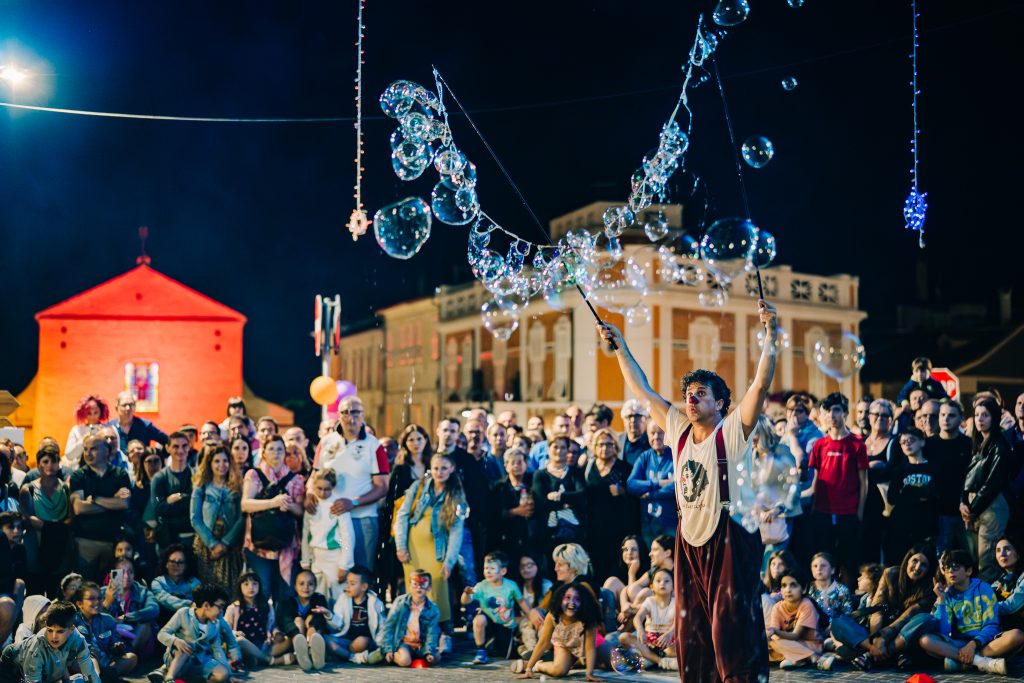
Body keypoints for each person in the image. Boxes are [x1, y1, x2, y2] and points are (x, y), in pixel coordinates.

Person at [598, 297, 778, 682]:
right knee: (692, 631)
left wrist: (771, 334)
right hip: (688, 539)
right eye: (688, 395)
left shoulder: (733, 431)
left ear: (721, 403)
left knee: (728, 631)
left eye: (701, 394)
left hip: (730, 536)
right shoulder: (679, 431)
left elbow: (761, 384)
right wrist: (621, 347)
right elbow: (644, 391)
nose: (691, 400)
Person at [313, 396, 389, 570]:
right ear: (339, 415)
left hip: (361, 519)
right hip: (330, 519)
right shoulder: (326, 442)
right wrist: (310, 493)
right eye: (345, 413)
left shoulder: (374, 446)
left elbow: (382, 487)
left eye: (355, 412)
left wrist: (353, 503)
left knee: (361, 574)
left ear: (363, 415)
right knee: (333, 574)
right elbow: (314, 477)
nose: (350, 417)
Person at [917, 548, 1023, 674]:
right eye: (947, 568)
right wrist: (942, 600)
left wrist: (973, 645)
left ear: (968, 571)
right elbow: (944, 631)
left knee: (1017, 635)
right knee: (925, 640)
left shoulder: (984, 589)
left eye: (955, 567)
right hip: (960, 643)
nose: (950, 571)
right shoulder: (947, 595)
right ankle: (979, 662)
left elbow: (991, 625)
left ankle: (960, 661)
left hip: (986, 643)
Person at [392, 451, 466, 626]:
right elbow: (402, 515)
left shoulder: (456, 494)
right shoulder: (418, 486)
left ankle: (441, 629)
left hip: (438, 550)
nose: (439, 472)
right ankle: (415, 629)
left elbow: (456, 531)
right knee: (415, 587)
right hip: (413, 548)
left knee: (438, 588)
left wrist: (449, 561)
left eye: (444, 468)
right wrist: (400, 546)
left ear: (452, 469)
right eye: (436, 468)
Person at [838, 545, 936, 671]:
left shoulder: (929, 589)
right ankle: (884, 654)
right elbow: (877, 610)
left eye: (924, 565)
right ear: (907, 560)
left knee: (925, 619)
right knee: (839, 621)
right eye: (915, 561)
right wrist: (876, 640)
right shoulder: (890, 574)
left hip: (903, 632)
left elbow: (908, 616)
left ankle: (871, 656)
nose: (917, 567)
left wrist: (883, 638)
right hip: (880, 627)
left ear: (928, 570)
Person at [807, 392, 869, 584]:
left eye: (836, 410)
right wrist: (813, 508)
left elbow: (864, 482)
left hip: (848, 513)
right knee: (824, 559)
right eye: (827, 411)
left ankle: (847, 597)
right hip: (823, 512)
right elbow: (815, 481)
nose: (831, 415)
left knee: (848, 561)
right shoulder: (819, 445)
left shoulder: (857, 444)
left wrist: (859, 513)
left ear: (845, 413)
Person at [241, 433, 305, 604]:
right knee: (263, 589)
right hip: (258, 545)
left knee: (285, 592)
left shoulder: (296, 479)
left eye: (279, 449)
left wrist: (288, 505)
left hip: (286, 544)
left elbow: (300, 511)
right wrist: (272, 503)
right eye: (271, 449)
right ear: (263, 452)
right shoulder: (254, 475)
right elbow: (245, 504)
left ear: (284, 453)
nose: (276, 453)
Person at [511, 581, 611, 680]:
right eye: (568, 598)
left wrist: (589, 674)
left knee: (615, 664)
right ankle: (536, 665)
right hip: (565, 644)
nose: (572, 603)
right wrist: (529, 669)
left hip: (592, 644)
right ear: (560, 598)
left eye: (577, 599)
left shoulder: (588, 616)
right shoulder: (553, 615)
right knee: (558, 670)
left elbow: (590, 647)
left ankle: (585, 662)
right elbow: (543, 642)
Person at [962, 396, 1012, 581]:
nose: (979, 419)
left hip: (992, 505)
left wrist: (971, 509)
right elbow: (969, 476)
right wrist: (963, 501)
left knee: (988, 560)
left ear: (994, 417)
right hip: (975, 505)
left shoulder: (999, 445)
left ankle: (989, 598)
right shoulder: (978, 443)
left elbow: (992, 484)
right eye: (977, 415)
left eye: (985, 415)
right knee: (976, 559)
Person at [377, 424, 432, 594]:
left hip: (429, 523)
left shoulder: (433, 465)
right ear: (405, 443)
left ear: (425, 440)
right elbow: (391, 501)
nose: (416, 443)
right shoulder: (400, 469)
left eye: (419, 439)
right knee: (402, 567)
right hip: (405, 523)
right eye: (411, 440)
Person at [68, 434, 131, 581]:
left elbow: (124, 503)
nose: (88, 453)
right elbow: (79, 508)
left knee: (116, 585)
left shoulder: (121, 475)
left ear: (107, 451)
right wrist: (113, 502)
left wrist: (95, 499)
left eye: (93, 449)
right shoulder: (78, 476)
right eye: (85, 449)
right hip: (85, 543)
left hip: (114, 543)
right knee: (86, 586)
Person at [154, 584, 238, 683]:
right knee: (187, 644)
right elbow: (162, 634)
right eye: (220, 607)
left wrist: (229, 675)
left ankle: (185, 679)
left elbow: (217, 650)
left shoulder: (214, 624)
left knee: (222, 674)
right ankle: (169, 678)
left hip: (199, 662)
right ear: (206, 605)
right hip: (177, 660)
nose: (221, 611)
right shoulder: (183, 613)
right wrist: (176, 641)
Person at [0, 601, 99, 683]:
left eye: (60, 631)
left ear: (71, 629)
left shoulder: (78, 639)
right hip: (12, 664)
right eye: (50, 630)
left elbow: (90, 673)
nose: (54, 636)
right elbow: (33, 680)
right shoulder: (37, 647)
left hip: (46, 670)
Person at [582, 428, 635, 582]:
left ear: (615, 446)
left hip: (618, 528)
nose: (604, 448)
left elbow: (634, 497)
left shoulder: (625, 468)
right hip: (594, 528)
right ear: (594, 447)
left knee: (617, 569)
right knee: (596, 569)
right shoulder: (587, 468)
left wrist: (623, 491)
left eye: (609, 444)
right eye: (601, 444)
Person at [20, 445, 73, 598]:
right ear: (38, 465)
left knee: (57, 590)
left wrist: (46, 526)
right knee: (34, 590)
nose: (50, 465)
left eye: (54, 461)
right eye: (45, 461)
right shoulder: (28, 489)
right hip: (36, 542)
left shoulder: (66, 489)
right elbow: (26, 518)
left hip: (60, 543)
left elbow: (71, 518)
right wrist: (54, 526)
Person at [190, 444, 244, 591]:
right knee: (208, 589)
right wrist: (212, 543)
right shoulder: (201, 486)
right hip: (206, 544)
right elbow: (195, 518)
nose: (222, 465)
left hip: (230, 545)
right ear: (210, 463)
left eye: (225, 461)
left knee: (230, 589)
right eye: (217, 461)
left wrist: (225, 543)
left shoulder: (237, 486)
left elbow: (242, 517)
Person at [462, 551, 531, 664]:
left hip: (505, 625)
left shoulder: (511, 586)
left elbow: (521, 601)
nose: (488, 571)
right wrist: (466, 594)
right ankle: (481, 650)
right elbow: (465, 601)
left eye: (492, 568)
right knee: (479, 619)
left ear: (503, 571)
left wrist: (530, 615)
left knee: (504, 653)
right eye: (486, 568)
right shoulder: (481, 586)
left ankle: (492, 645)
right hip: (489, 623)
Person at [300, 468, 355, 602]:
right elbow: (306, 534)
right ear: (313, 485)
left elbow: (347, 536)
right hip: (316, 558)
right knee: (317, 598)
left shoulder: (338, 505)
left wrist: (345, 564)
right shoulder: (311, 504)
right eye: (319, 488)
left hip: (334, 557)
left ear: (333, 487)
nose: (322, 493)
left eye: (327, 489)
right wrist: (305, 561)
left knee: (338, 598)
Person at [885, 427, 939, 563]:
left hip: (926, 524)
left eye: (911, 440)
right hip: (902, 525)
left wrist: (909, 492)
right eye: (903, 442)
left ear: (922, 442)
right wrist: (919, 494)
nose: (907, 444)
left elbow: (936, 495)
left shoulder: (934, 468)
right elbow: (892, 498)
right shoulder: (899, 471)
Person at [765, 568, 836, 670]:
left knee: (775, 642)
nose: (788, 590)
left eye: (793, 585)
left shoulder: (806, 605)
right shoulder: (777, 607)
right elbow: (773, 632)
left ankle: (816, 658)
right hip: (789, 645)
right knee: (770, 642)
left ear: (804, 589)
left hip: (809, 644)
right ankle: (800, 660)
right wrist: (769, 634)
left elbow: (795, 635)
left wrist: (774, 632)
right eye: (784, 586)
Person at [223, 570, 293, 669]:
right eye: (246, 584)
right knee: (240, 641)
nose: (251, 587)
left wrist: (276, 633)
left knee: (289, 640)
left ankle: (258, 657)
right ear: (240, 587)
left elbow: (272, 625)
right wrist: (235, 633)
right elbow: (225, 629)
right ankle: (270, 660)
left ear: (259, 586)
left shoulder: (267, 606)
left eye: (254, 584)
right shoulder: (233, 608)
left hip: (264, 645)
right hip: (245, 644)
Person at [532, 435, 586, 560]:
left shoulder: (576, 472)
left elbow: (582, 496)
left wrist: (559, 496)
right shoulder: (540, 475)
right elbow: (542, 503)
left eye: (563, 447)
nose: (559, 451)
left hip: (574, 530)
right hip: (548, 532)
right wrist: (568, 502)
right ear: (548, 449)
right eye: (555, 447)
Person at [931, 400, 973, 553]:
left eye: (951, 415)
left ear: (961, 418)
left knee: (970, 558)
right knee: (941, 558)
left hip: (964, 512)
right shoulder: (928, 444)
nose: (946, 419)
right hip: (937, 513)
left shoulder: (969, 445)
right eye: (942, 415)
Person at [73, 581, 138, 679]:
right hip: (84, 662)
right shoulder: (73, 622)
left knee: (131, 658)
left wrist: (117, 647)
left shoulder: (108, 620)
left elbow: (114, 641)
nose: (97, 602)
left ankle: (100, 676)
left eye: (99, 598)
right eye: (92, 598)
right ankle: (102, 676)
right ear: (79, 603)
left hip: (106, 663)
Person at [627, 421, 677, 549]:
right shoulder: (644, 457)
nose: (656, 437)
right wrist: (658, 483)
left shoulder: (676, 455)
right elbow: (631, 484)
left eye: (660, 433)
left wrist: (651, 494)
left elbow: (678, 486)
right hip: (648, 524)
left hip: (671, 523)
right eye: (652, 433)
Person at [323, 565, 386, 664]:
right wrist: (329, 615)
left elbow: (382, 627)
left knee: (362, 641)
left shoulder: (376, 603)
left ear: (364, 587)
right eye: (347, 582)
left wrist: (381, 646)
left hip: (365, 642)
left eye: (352, 583)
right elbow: (338, 624)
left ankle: (339, 654)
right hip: (346, 641)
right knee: (324, 639)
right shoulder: (343, 599)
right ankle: (353, 657)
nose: (347, 586)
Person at [619, 567, 678, 670]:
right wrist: (640, 630)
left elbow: (679, 622)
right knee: (623, 637)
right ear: (651, 587)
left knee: (680, 646)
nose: (662, 584)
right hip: (649, 644)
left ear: (673, 586)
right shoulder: (649, 601)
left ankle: (650, 660)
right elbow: (638, 618)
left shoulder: (676, 603)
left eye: (667, 581)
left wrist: (669, 633)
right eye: (658, 581)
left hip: (667, 642)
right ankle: (661, 662)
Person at [861, 398, 897, 564]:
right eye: (876, 414)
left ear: (890, 419)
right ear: (869, 417)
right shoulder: (860, 442)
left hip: (884, 505)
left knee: (886, 549)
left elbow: (894, 470)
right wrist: (872, 465)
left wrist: (868, 467)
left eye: (885, 415)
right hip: (863, 503)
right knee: (866, 548)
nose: (880, 418)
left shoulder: (894, 443)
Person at [381, 568, 441, 667]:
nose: (419, 588)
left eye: (423, 584)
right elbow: (389, 626)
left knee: (437, 657)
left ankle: (418, 656)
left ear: (429, 587)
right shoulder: (400, 603)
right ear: (409, 586)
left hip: (421, 644)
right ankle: (393, 655)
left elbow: (432, 632)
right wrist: (388, 649)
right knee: (405, 661)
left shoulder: (433, 609)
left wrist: (429, 651)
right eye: (415, 584)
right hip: (403, 643)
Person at [101, 558, 159, 657]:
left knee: (145, 624)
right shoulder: (102, 592)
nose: (126, 576)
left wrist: (126, 617)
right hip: (112, 637)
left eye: (130, 572)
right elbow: (93, 620)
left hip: (136, 637)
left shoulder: (142, 591)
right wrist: (107, 602)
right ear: (112, 575)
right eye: (122, 572)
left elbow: (154, 609)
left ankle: (126, 655)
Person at [275, 568, 330, 672]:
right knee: (298, 620)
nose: (306, 587)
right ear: (295, 587)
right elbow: (285, 621)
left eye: (310, 584)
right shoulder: (289, 602)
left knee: (313, 618)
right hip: (296, 637)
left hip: (313, 634)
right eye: (301, 584)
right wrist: (296, 634)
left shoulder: (319, 599)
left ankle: (314, 654)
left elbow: (320, 618)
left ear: (315, 586)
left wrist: (312, 627)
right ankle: (302, 654)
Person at [148, 431, 194, 551]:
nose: (180, 450)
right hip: (166, 539)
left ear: (189, 447)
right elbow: (159, 508)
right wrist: (187, 500)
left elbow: (196, 506)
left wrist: (177, 498)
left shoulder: (196, 476)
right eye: (175, 446)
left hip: (192, 536)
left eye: (184, 446)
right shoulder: (159, 478)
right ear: (167, 448)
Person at [491, 447, 534, 561]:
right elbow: (494, 514)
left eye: (520, 462)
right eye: (513, 462)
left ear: (526, 464)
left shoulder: (534, 483)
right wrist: (515, 511)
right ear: (506, 466)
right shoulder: (498, 487)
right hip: (507, 538)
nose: (516, 466)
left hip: (530, 537)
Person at [514, 552, 552, 658]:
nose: (526, 569)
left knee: (543, 627)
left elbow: (550, 609)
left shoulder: (546, 585)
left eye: (529, 565)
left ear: (538, 566)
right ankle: (532, 652)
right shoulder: (516, 587)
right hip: (524, 623)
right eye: (522, 566)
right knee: (527, 627)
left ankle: (544, 652)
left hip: (542, 620)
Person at [151, 545, 201, 624]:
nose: (176, 565)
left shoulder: (194, 582)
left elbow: (200, 601)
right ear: (166, 564)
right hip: (164, 622)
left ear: (186, 566)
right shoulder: (158, 582)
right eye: (172, 561)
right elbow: (165, 599)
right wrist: (190, 604)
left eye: (180, 562)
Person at [0, 510, 27, 647]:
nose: (17, 531)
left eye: (19, 527)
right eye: (11, 527)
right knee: (8, 604)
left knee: (20, 584)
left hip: (9, 593)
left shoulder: (20, 550)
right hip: (4, 595)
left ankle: (9, 637)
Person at [63, 395, 110, 470]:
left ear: (101, 412)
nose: (92, 416)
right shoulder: (77, 430)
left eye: (96, 412)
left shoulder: (107, 429)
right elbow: (69, 455)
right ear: (83, 413)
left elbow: (114, 452)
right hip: (81, 470)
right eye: (89, 413)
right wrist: (83, 440)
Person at [807, 552, 853, 622]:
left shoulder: (842, 590)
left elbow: (848, 616)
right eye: (815, 566)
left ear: (832, 570)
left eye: (823, 565)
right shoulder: (807, 588)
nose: (819, 569)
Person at [992, 536, 1024, 629]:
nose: (1002, 554)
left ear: (1018, 553)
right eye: (998, 550)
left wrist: (985, 608)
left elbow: (1012, 605)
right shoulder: (1000, 579)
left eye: (1007, 549)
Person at [618, 399, 651, 467]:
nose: (633, 420)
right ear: (623, 421)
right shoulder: (618, 440)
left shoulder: (651, 442)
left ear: (645, 419)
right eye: (629, 416)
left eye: (637, 416)